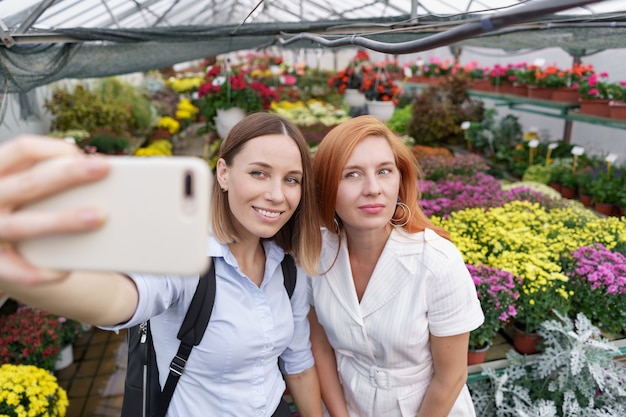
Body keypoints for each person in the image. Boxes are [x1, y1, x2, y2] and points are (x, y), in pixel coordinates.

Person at [0, 112, 323, 417]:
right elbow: (118, 298)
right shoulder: (186, 256)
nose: (277, 195)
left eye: (292, 180)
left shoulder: (287, 266)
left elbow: (298, 362)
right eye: (259, 173)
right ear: (223, 174)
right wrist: (27, 269)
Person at [308, 115, 484, 417]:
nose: (373, 188)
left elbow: (451, 377)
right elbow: (320, 349)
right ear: (326, 187)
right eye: (351, 175)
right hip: (347, 403)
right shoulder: (315, 254)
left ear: (400, 180)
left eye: (384, 171)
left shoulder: (437, 262)